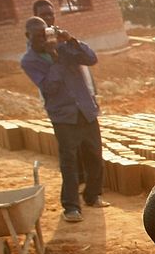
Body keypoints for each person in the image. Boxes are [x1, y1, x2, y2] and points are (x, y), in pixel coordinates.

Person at [21, 16, 107, 223]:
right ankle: (71, 206)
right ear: (27, 36)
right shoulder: (29, 61)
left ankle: (92, 195)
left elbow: (91, 58)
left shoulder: (65, 47)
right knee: (69, 161)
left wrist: (71, 40)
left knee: (94, 154)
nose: (43, 40)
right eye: (38, 37)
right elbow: (49, 86)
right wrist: (55, 58)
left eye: (45, 35)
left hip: (85, 110)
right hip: (63, 116)